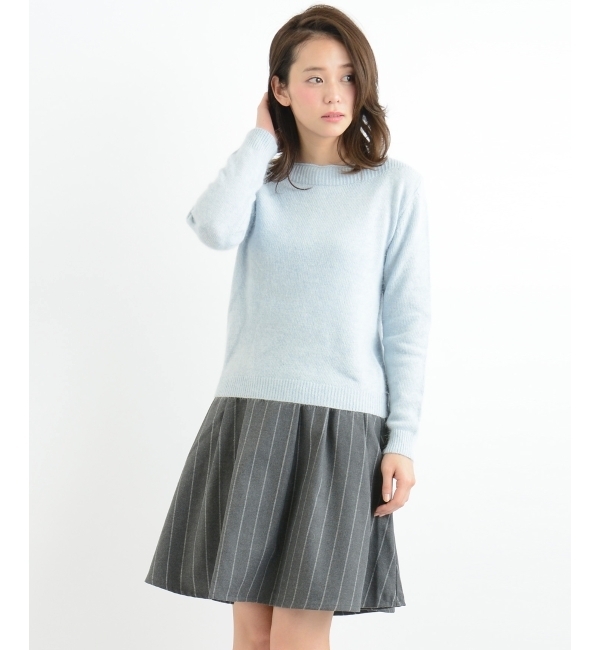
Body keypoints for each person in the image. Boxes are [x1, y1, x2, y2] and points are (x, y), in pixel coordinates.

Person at [144, 4, 431, 649]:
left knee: (299, 634)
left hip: (342, 426)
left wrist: (403, 439)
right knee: (253, 632)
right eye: (314, 78)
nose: (335, 95)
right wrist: (259, 142)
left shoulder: (393, 187)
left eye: (348, 77)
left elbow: (407, 323)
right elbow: (213, 228)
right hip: (252, 415)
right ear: (280, 89)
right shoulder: (261, 182)